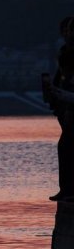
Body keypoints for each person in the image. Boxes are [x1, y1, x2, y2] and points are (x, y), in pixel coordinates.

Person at [49, 16, 74, 201]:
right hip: (66, 107)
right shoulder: (64, 53)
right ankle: (66, 190)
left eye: (70, 31)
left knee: (67, 147)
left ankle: (69, 190)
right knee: (65, 148)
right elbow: (61, 79)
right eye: (65, 31)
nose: (67, 35)